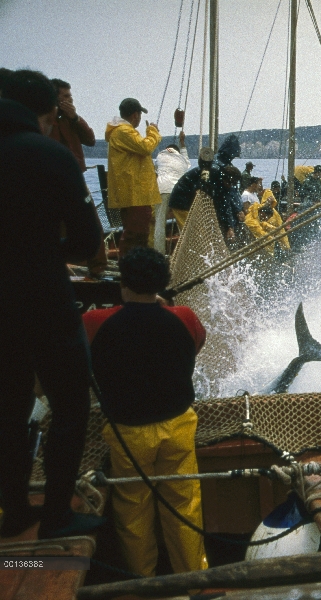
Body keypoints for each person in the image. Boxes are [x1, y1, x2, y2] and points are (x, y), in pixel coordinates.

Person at [0, 69, 105, 539]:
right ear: (45, 114)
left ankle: (14, 510)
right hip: (40, 296)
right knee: (69, 403)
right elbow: (86, 240)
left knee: (9, 404)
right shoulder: (46, 153)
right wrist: (47, 253)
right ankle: (56, 517)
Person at [83, 247, 207, 576]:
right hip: (178, 424)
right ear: (163, 282)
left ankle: (144, 584)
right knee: (185, 504)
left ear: (122, 281)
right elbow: (196, 343)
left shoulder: (93, 322)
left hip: (129, 432)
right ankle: (194, 580)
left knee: (133, 509)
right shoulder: (185, 317)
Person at [49, 78, 107, 277]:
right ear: (54, 99)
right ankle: (73, 267)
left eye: (70, 96)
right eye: (65, 96)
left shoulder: (71, 120)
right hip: (54, 180)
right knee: (62, 226)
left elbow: (90, 139)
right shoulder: (47, 120)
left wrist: (75, 118)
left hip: (77, 177)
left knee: (91, 221)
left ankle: (98, 268)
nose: (69, 100)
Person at [105, 98, 161, 257]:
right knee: (136, 234)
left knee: (138, 232)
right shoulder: (123, 131)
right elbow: (146, 147)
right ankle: (130, 268)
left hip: (135, 194)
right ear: (136, 115)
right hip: (135, 194)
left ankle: (134, 265)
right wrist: (153, 131)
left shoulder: (123, 131)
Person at [155, 131, 190, 253]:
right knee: (183, 224)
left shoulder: (160, 156)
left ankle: (158, 252)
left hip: (162, 189)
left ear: (167, 149)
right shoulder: (182, 160)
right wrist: (182, 141)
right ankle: (187, 251)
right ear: (177, 152)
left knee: (159, 223)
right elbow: (185, 157)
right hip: (178, 191)